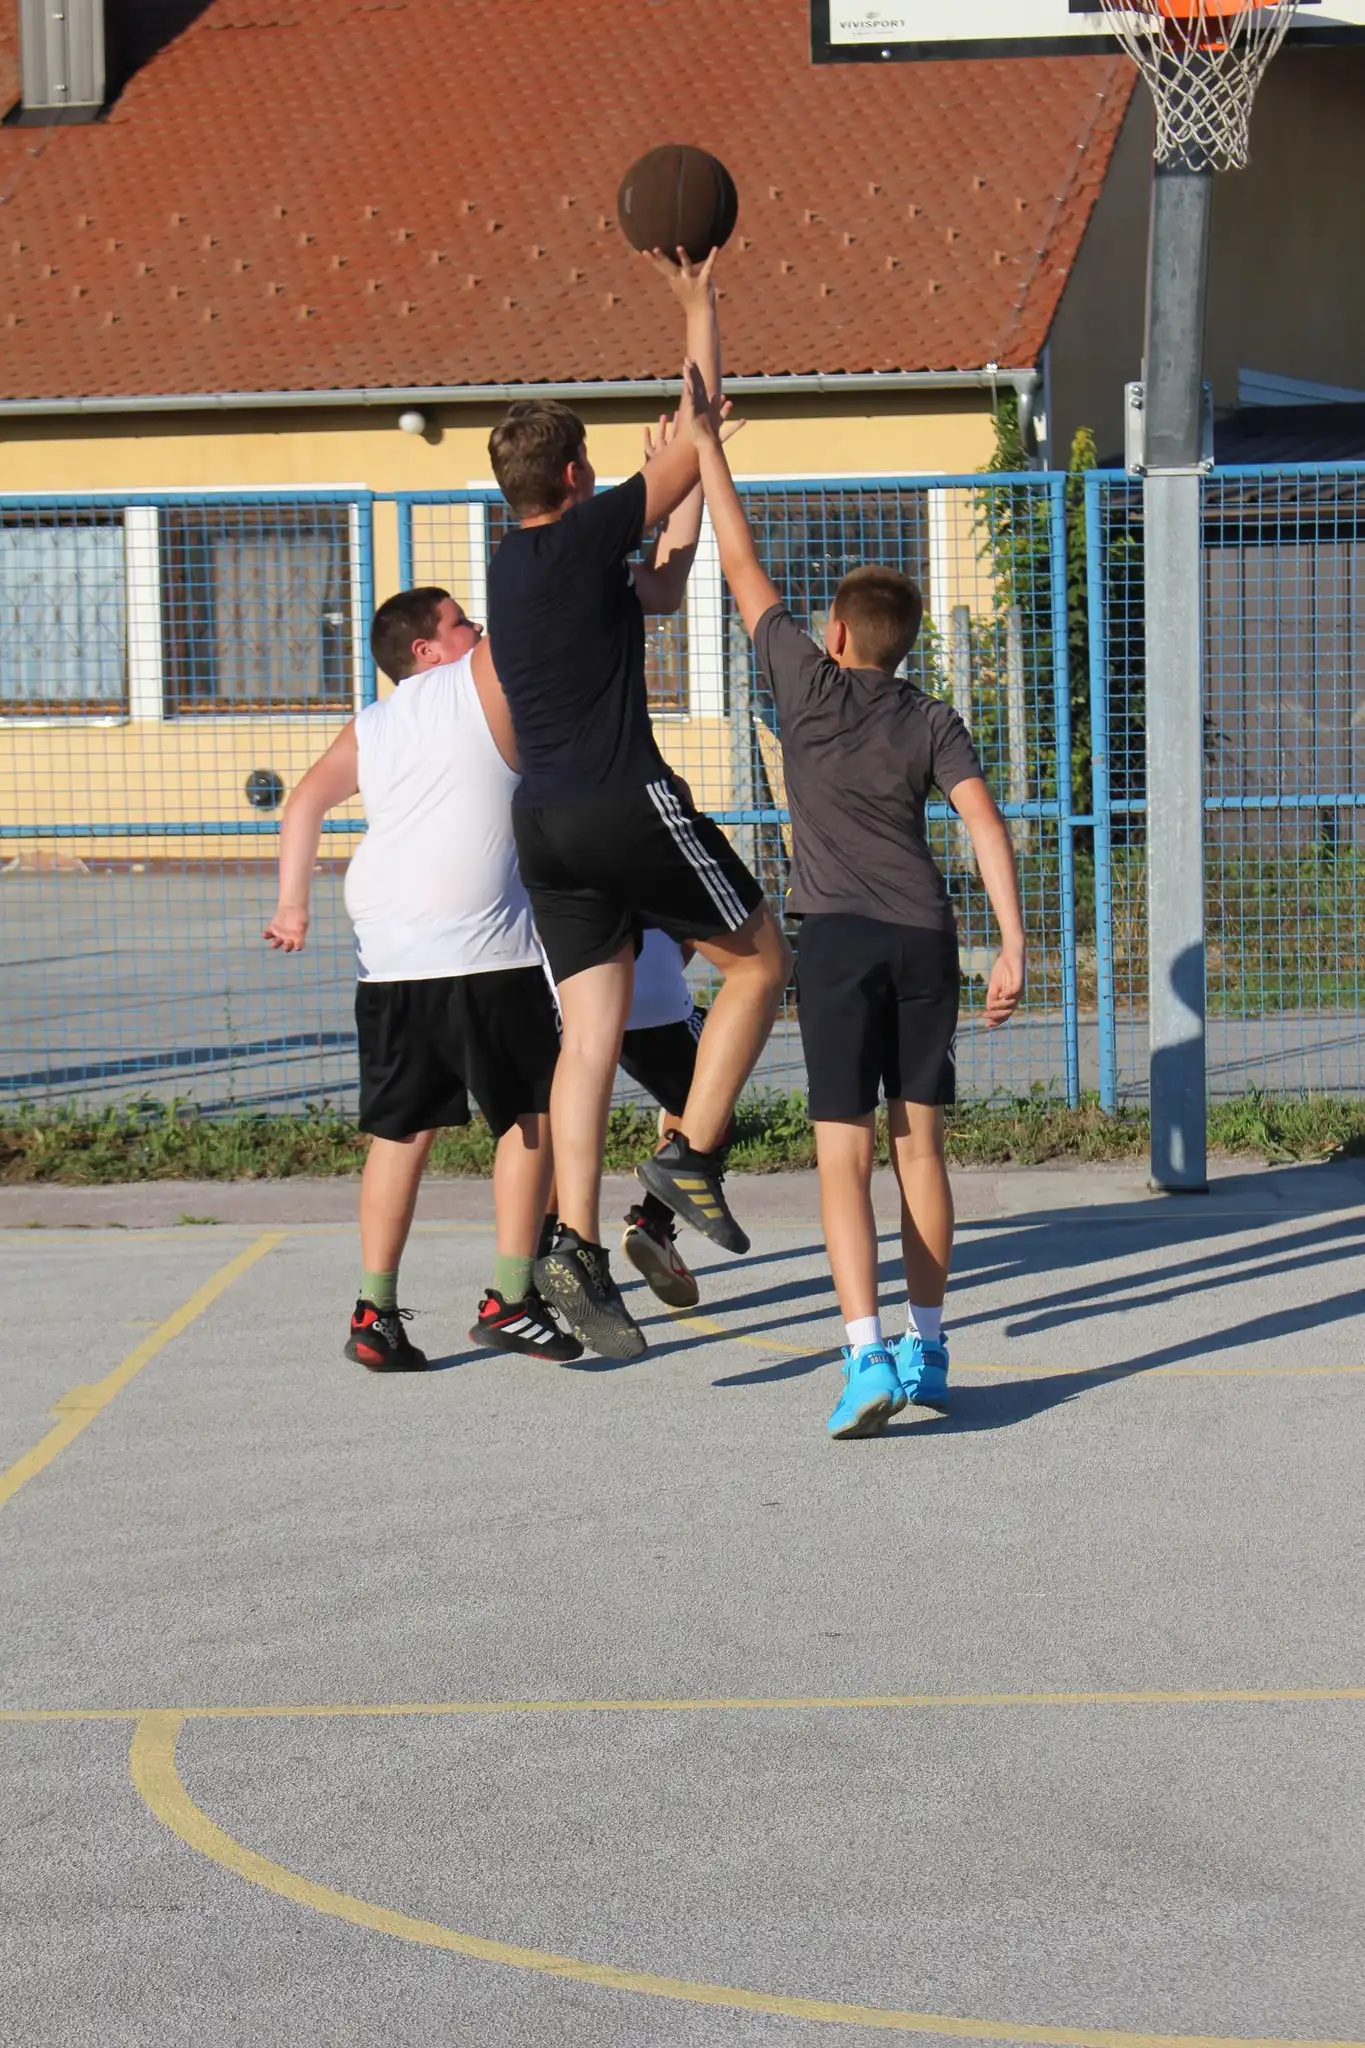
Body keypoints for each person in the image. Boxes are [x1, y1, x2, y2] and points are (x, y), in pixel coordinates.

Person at [687, 366, 1026, 1440]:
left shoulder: (804, 681)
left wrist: (707, 446)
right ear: (903, 642)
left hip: (835, 942)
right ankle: (931, 1343)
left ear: (836, 631)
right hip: (927, 937)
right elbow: (983, 823)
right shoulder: (932, 717)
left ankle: (866, 1354)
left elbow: (739, 563)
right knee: (919, 1146)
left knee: (843, 1153)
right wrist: (1012, 943)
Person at [485, 250, 791, 1362]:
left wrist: (697, 473)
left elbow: (659, 584)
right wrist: (700, 305)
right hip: (623, 802)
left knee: (590, 1040)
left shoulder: (516, 567)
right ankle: (687, 1158)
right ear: (571, 476)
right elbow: (691, 419)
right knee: (760, 961)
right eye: (594, 463)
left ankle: (571, 1241)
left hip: (547, 831)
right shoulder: (578, 533)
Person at [264, 586, 581, 1372]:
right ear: (426, 651)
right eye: (459, 622)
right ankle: (511, 1297)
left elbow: (301, 804)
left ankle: (375, 1313)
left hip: (390, 952)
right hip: (481, 951)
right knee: (532, 1117)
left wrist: (292, 905)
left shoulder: (374, 723)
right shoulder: (470, 685)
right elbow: (539, 602)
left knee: (400, 1131)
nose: (476, 627)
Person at [540, 927, 729, 1312]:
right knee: (705, 1106)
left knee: (564, 1122)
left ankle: (542, 1249)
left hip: (572, 987)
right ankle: (654, 1224)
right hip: (652, 986)